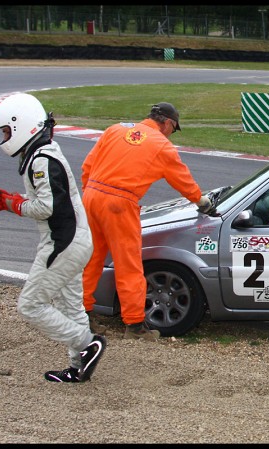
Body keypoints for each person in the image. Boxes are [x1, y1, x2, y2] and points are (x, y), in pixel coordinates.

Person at [0, 93, 105, 383]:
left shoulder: (41, 159)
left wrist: (13, 204)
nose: (4, 137)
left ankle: (86, 344)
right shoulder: (46, 150)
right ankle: (78, 366)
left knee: (30, 305)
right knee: (71, 305)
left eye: (6, 131)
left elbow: (47, 207)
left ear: (20, 125)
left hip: (62, 243)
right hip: (76, 239)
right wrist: (16, 200)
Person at [81, 102, 212, 341]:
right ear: (169, 123)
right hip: (120, 204)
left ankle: (81, 315)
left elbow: (87, 166)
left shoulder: (115, 129)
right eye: (174, 129)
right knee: (128, 265)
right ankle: (134, 325)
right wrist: (201, 201)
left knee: (91, 259)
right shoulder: (161, 145)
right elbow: (182, 180)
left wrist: (90, 194)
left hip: (91, 196)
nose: (172, 133)